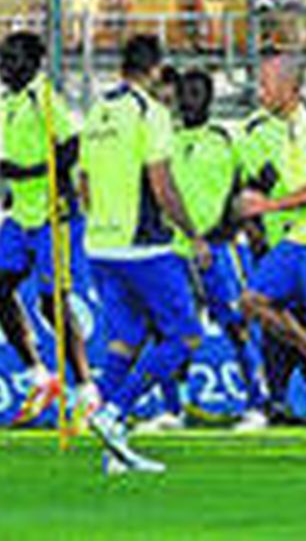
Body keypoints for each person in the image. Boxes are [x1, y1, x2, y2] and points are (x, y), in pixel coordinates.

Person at [80, 35, 211, 476]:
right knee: (184, 335)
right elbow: (162, 184)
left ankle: (112, 452)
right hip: (143, 247)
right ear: (155, 71)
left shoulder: (96, 112)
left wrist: (101, 219)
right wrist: (192, 233)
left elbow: (82, 182)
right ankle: (114, 412)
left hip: (99, 245)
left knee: (126, 338)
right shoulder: (149, 113)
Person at [0, 31, 97, 428]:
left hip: (53, 214)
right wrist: (15, 191)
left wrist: (27, 173)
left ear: (33, 64)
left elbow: (71, 147)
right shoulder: (9, 100)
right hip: (22, 214)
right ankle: (40, 377)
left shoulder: (41, 96)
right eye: (1, 57)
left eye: (12, 58)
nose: (3, 66)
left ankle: (85, 391)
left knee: (53, 303)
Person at [236, 51, 306, 402]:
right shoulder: (281, 126)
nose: (260, 92)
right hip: (293, 238)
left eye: (266, 84)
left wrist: (269, 205)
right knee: (253, 301)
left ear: (289, 87)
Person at [172, 67, 269, 429]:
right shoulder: (169, 140)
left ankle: (257, 405)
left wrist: (235, 228)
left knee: (236, 324)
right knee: (177, 329)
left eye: (197, 92)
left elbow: (253, 183)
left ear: (210, 99)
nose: (189, 100)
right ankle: (178, 407)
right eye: (185, 92)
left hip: (219, 249)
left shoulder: (228, 139)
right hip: (177, 251)